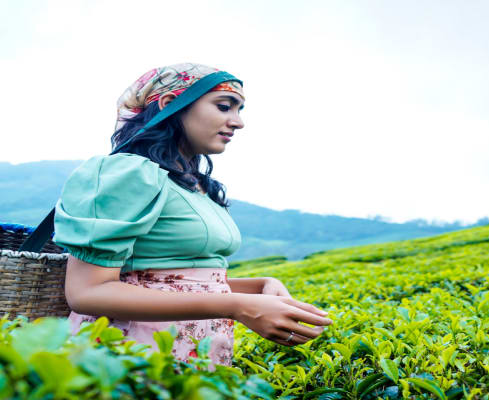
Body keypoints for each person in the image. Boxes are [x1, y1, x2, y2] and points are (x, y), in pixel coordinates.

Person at [53, 63, 332, 366]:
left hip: (194, 355)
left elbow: (168, 277)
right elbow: (88, 292)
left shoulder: (192, 185)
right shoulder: (128, 174)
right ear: (170, 105)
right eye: (224, 107)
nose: (237, 122)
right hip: (130, 356)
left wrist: (260, 285)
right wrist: (237, 305)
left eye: (239, 110)